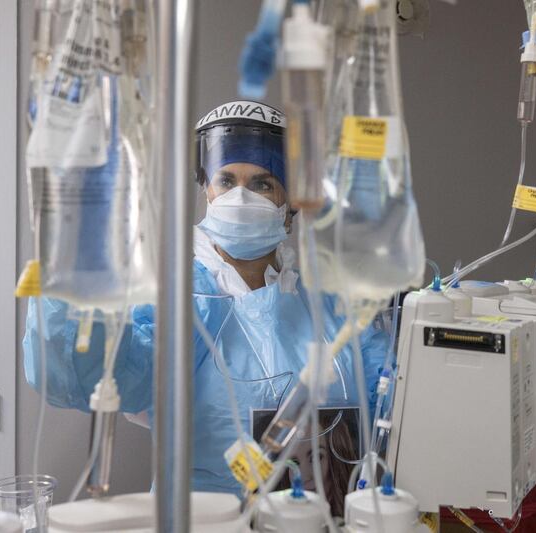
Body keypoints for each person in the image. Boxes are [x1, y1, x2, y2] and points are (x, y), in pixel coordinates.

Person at [23, 100, 388, 496]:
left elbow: (393, 405)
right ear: (207, 190)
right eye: (227, 181)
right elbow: (88, 373)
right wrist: (75, 255)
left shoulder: (330, 308)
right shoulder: (182, 303)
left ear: (291, 201)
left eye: (263, 183)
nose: (241, 198)